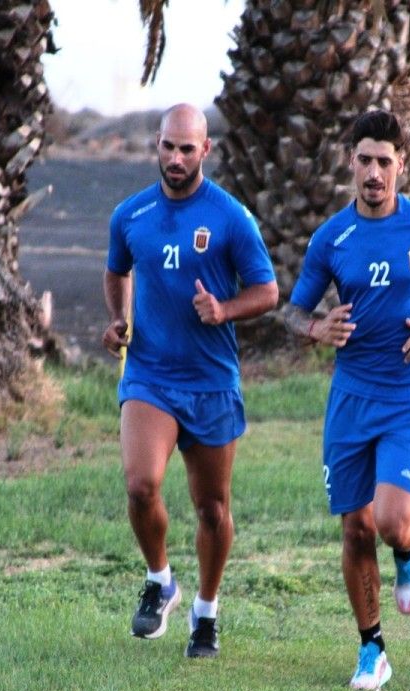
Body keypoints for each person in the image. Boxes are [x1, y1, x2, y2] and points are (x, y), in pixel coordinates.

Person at [286, 109, 410, 691]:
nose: (374, 172)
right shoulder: (331, 238)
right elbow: (292, 310)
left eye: (385, 162)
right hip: (351, 397)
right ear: (352, 162)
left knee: (391, 520)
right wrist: (316, 329)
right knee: (354, 529)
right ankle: (373, 651)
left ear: (402, 165)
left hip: (409, 392)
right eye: (365, 160)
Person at [102, 103, 278, 659]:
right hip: (151, 375)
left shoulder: (229, 217)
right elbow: (116, 270)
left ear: (206, 150)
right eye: (167, 147)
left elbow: (267, 291)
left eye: (187, 148)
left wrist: (223, 310)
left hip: (211, 382)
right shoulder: (130, 215)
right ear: (156, 146)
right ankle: (160, 581)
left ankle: (206, 612)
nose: (175, 159)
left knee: (212, 510)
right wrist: (119, 319)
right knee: (140, 485)